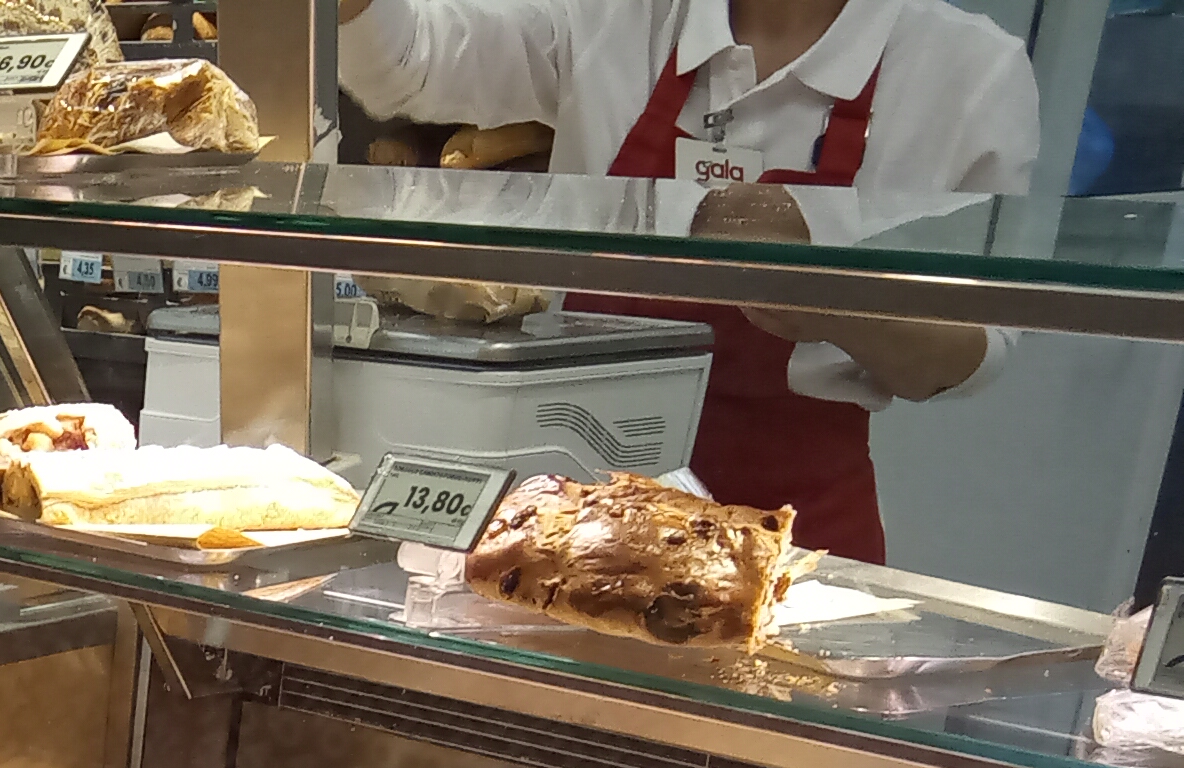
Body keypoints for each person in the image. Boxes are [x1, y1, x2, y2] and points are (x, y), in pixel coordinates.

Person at [339, 0, 1041, 558]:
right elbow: (406, 61)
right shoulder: (614, 16)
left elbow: (973, 356)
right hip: (575, 512)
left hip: (793, 541)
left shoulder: (969, 73)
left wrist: (837, 302)